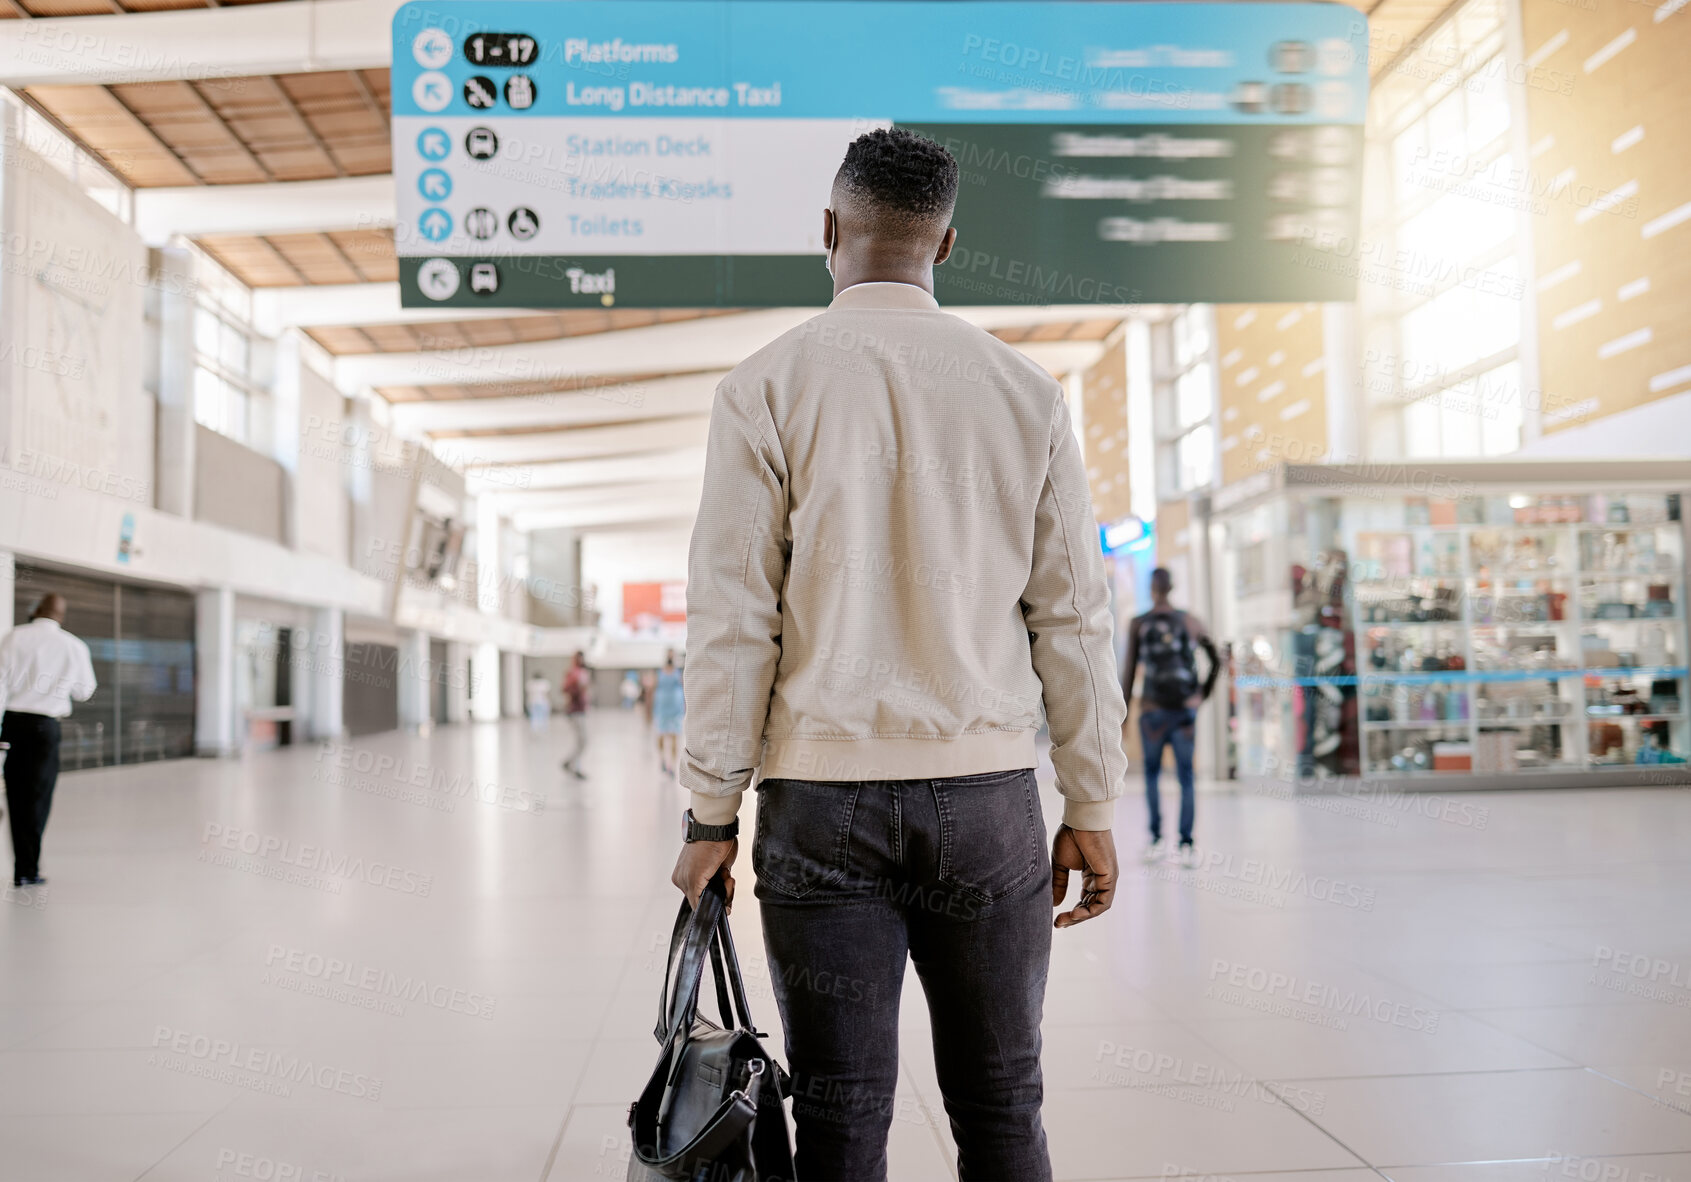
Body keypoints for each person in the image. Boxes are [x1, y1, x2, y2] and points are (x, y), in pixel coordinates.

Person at [670, 128, 1126, 1182]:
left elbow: (732, 620)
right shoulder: (1026, 393)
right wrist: (1090, 806)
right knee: (1003, 1103)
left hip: (818, 808)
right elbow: (1072, 619)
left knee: (838, 1113)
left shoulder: (763, 389)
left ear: (827, 232)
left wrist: (708, 814)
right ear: (948, 243)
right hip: (986, 806)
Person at [1121, 567, 1220, 868]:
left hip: (1151, 710)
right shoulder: (1189, 621)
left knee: (1151, 776)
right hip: (1183, 712)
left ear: (1151, 589)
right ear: (1173, 587)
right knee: (1185, 777)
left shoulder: (1139, 623)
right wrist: (1201, 694)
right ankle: (1186, 845)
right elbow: (1216, 658)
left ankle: (1155, 841)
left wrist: (1123, 716)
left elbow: (1128, 672)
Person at [0, 593, 97, 887]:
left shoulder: (14, 637)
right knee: (39, 797)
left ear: (37, 610)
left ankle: (23, 867)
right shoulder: (73, 646)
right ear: (61, 615)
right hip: (46, 728)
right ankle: (29, 868)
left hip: (14, 724)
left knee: (15, 796)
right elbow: (84, 691)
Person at [651, 654, 684, 775]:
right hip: (667, 707)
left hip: (668, 707)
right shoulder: (675, 673)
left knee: (667, 735)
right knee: (669, 736)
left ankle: (668, 762)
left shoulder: (662, 673)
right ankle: (667, 761)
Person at [559, 652, 590, 779]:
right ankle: (575, 766)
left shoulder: (582, 673)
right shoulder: (573, 673)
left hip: (581, 710)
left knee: (581, 741)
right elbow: (565, 689)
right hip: (575, 710)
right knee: (582, 740)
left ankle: (570, 762)